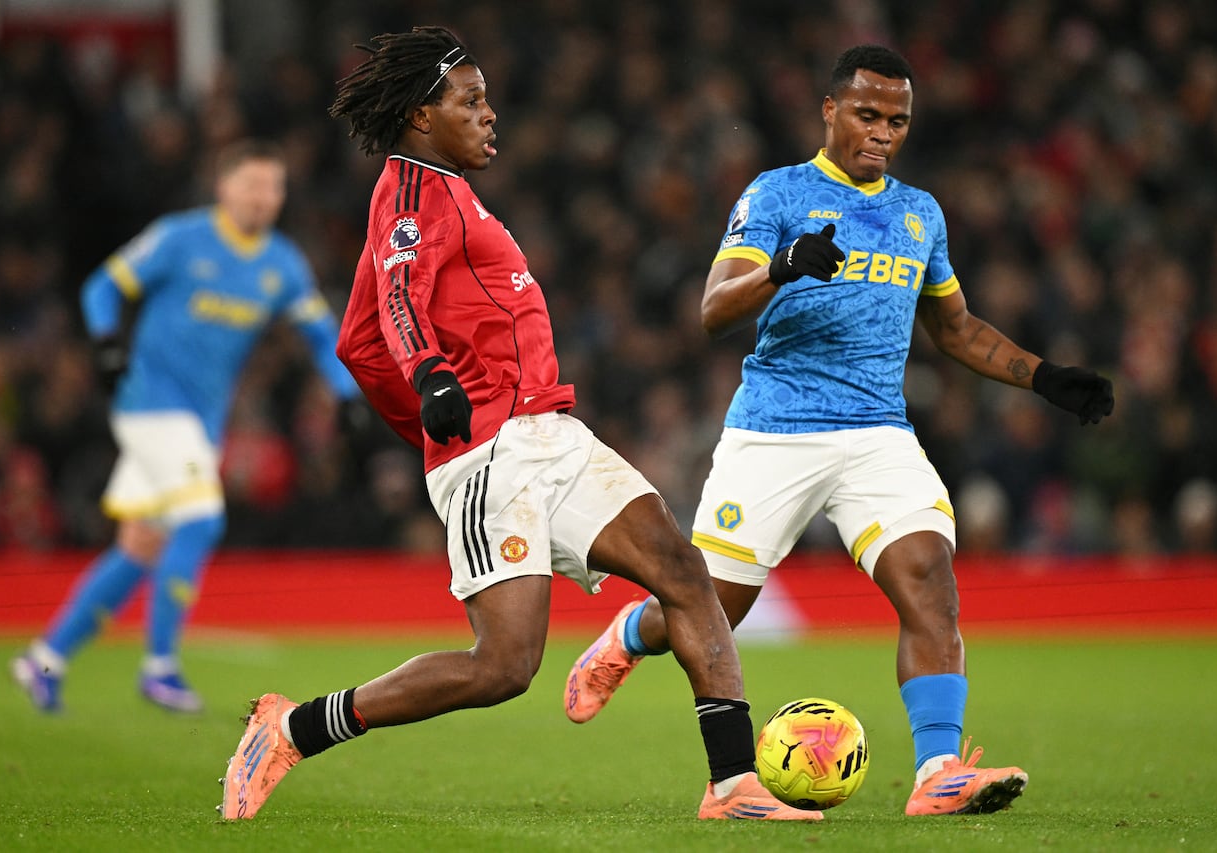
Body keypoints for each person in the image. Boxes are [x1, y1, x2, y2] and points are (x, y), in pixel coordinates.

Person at [217, 25, 819, 823]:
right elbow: (396, 306)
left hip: (549, 430)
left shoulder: (453, 191)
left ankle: (732, 782)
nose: (490, 114)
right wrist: (434, 390)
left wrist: (419, 415)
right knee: (503, 667)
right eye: (471, 101)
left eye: (488, 98)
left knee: (682, 567)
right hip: (491, 454)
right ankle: (291, 728)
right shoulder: (407, 194)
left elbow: (358, 341)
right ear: (422, 117)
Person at [564, 44, 1116, 817]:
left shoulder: (919, 212)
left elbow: (954, 329)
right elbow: (714, 309)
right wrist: (782, 265)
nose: (882, 131)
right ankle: (629, 632)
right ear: (829, 110)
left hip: (877, 432)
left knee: (929, 578)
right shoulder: (779, 194)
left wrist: (1042, 375)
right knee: (712, 608)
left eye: (897, 120)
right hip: (775, 428)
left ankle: (938, 773)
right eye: (866, 114)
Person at [12, 139, 373, 714]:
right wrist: (106, 343)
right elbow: (101, 286)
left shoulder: (281, 264)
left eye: (273, 187)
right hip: (150, 404)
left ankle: (44, 658)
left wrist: (346, 394)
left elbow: (318, 334)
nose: (263, 198)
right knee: (201, 518)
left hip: (199, 422)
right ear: (223, 187)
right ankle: (160, 668)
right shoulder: (180, 239)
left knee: (140, 546)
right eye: (252, 185)